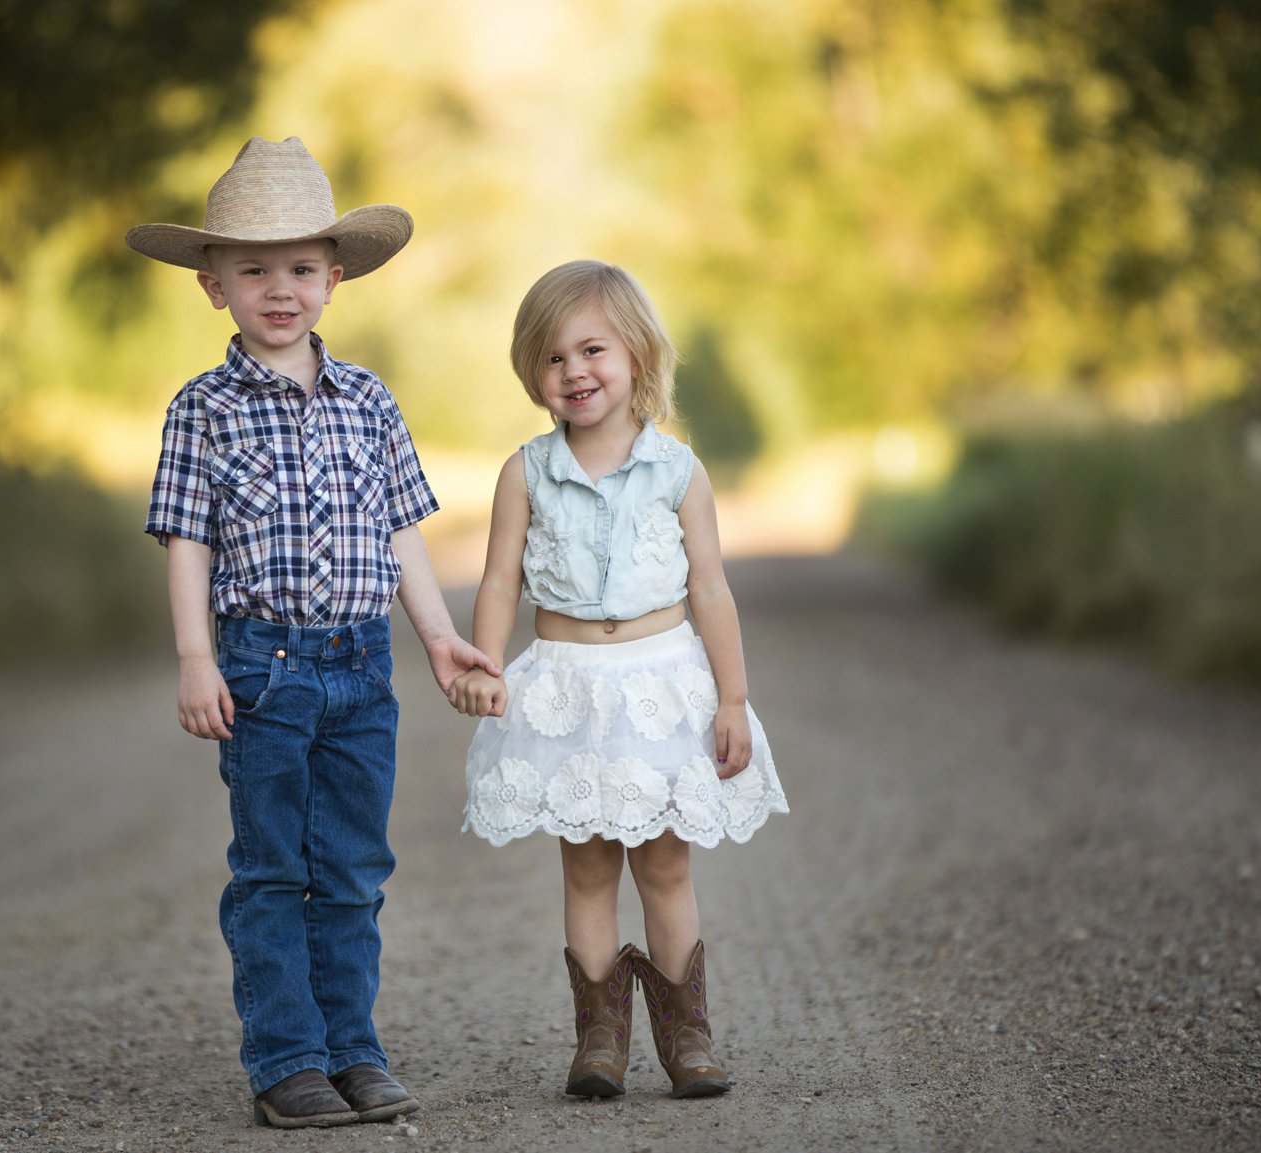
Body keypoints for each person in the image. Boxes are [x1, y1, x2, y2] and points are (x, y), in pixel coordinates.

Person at [128, 137, 500, 1129]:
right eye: (254, 270)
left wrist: (437, 636)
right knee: (271, 868)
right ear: (214, 286)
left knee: (349, 868)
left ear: (333, 279)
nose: (279, 289)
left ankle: (353, 1050)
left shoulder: (370, 402)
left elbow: (399, 533)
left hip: (358, 665)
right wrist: (196, 659)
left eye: (299, 269)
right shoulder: (200, 411)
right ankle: (287, 1059)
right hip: (261, 663)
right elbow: (186, 542)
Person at [450, 260, 788, 1100]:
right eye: (553, 358)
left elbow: (710, 589)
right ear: (534, 374)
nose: (575, 372)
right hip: (568, 688)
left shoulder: (678, 472)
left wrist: (734, 699)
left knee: (666, 867)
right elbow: (499, 581)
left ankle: (688, 1036)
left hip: (659, 683)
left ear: (636, 354)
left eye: (592, 349)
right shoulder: (524, 472)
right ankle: (599, 1035)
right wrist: (486, 665)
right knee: (589, 867)